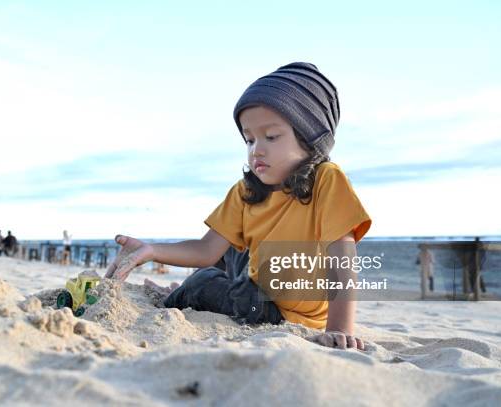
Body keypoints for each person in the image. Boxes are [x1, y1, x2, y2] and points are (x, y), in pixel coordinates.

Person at [105, 62, 371, 350]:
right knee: (228, 250)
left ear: (310, 140)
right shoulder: (246, 191)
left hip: (278, 311)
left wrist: (339, 329)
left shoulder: (326, 179)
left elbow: (342, 257)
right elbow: (206, 250)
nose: (257, 149)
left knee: (203, 283)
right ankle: (179, 290)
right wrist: (153, 250)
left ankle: (179, 294)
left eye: (271, 137)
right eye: (249, 139)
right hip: (256, 277)